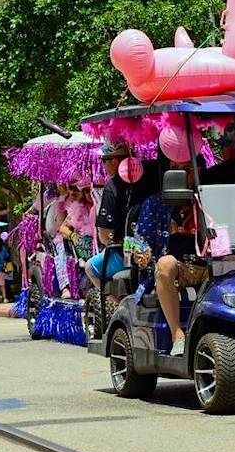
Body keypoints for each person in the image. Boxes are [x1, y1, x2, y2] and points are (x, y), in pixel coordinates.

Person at [131, 160, 209, 356]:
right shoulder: (155, 202)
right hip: (176, 270)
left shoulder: (208, 198)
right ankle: (177, 335)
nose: (179, 174)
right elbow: (139, 242)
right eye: (174, 169)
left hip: (210, 265)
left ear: (197, 170)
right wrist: (141, 253)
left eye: (186, 169)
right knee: (166, 263)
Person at [87, 143, 135, 289]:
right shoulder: (143, 182)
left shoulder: (112, 187)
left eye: (104, 161)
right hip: (144, 250)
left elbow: (105, 235)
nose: (103, 165)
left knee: (90, 267)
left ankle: (117, 305)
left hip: (125, 255)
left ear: (115, 162)